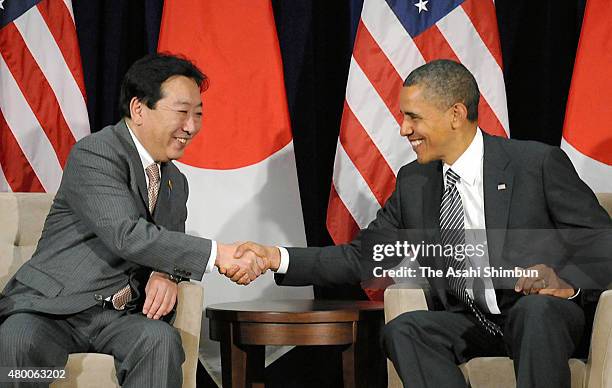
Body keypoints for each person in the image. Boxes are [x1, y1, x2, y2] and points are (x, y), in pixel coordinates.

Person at [232, 60, 612, 387]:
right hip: (473, 321)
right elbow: (363, 257)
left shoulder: (536, 164)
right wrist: (274, 258)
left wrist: (566, 283)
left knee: (535, 312)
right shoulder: (415, 182)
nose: (403, 129)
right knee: (404, 330)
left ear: (456, 115)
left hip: (541, 317)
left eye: (413, 116)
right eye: (402, 117)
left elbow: (601, 242)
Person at [0, 53, 265, 387]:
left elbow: (167, 243)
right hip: (52, 309)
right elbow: (126, 233)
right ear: (139, 109)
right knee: (18, 341)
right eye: (182, 112)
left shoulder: (174, 182)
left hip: (119, 316)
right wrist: (220, 254)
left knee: (159, 342)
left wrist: (166, 274)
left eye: (198, 114)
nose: (192, 126)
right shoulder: (96, 153)